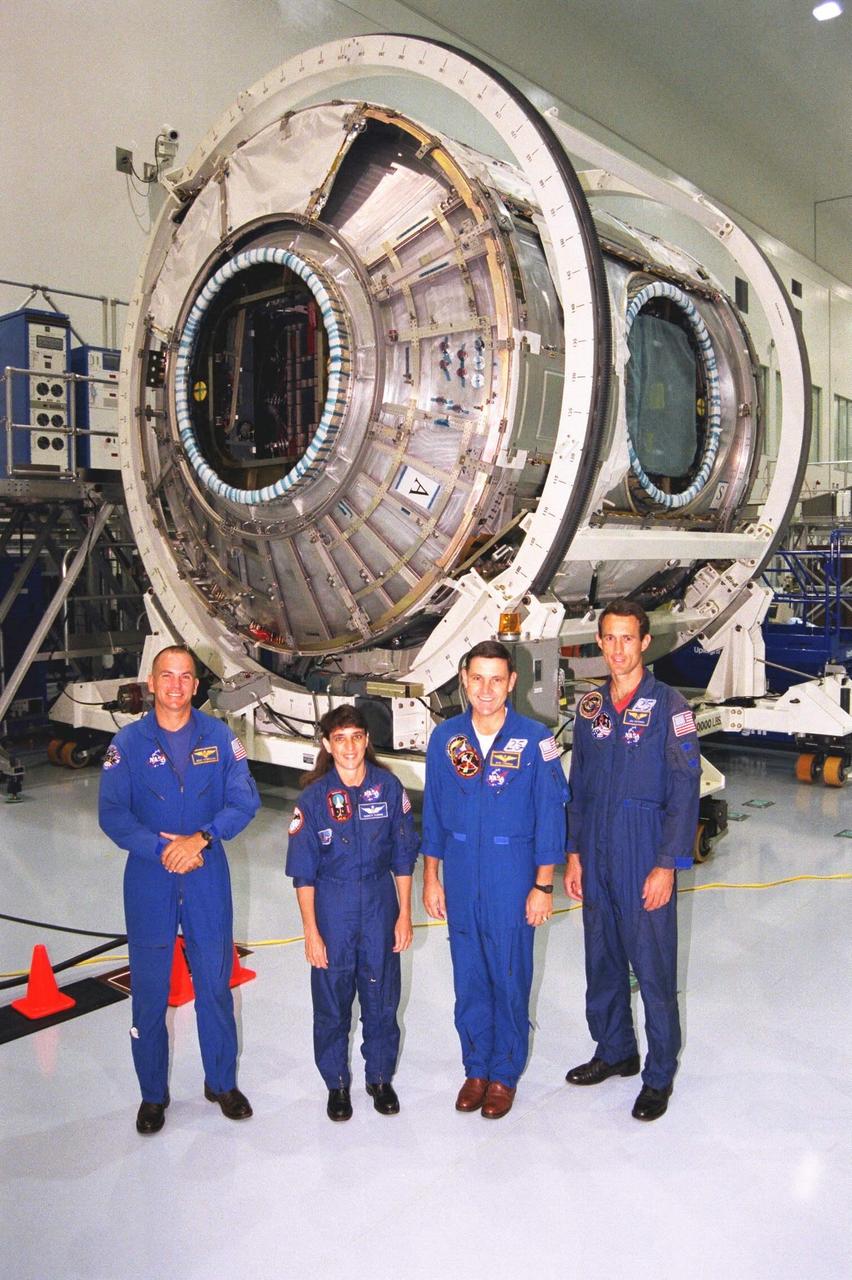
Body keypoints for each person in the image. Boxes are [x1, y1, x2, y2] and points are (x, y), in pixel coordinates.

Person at [99, 644, 260, 1134]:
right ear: (152, 683)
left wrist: (202, 838)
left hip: (206, 869)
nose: (175, 685)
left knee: (215, 980)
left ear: (195, 685)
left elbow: (244, 799)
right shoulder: (126, 745)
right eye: (166, 675)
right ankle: (152, 1095)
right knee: (148, 988)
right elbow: (113, 814)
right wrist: (159, 848)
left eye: (184, 676)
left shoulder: (220, 738)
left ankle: (221, 1082)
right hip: (150, 877)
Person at [563, 599, 700, 1121]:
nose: (618, 649)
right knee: (601, 959)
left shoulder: (671, 707)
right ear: (599, 643)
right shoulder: (590, 708)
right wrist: (573, 854)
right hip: (595, 848)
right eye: (609, 638)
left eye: (628, 638)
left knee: (653, 965)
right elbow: (579, 785)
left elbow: (686, 790)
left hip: (644, 850)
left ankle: (658, 1074)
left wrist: (667, 863)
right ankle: (615, 1049)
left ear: (645, 642)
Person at [422, 640, 570, 1119]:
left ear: (512, 683)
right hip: (462, 873)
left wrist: (542, 885)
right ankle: (476, 1067)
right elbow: (435, 814)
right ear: (464, 679)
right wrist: (432, 877)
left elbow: (551, 816)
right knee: (469, 977)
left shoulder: (535, 739)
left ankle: (504, 1073)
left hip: (513, 874)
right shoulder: (446, 738)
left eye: (496, 679)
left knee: (509, 975)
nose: (486, 689)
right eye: (477, 678)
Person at [285, 705, 418, 1122]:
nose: (349, 746)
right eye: (339, 738)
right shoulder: (313, 799)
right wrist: (311, 931)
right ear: (327, 744)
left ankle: (379, 1077)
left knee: (382, 998)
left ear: (366, 741)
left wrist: (404, 915)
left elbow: (402, 856)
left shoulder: (389, 788)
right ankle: (337, 1084)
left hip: (380, 904)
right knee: (331, 1001)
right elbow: (303, 874)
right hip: (333, 906)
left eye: (356, 736)